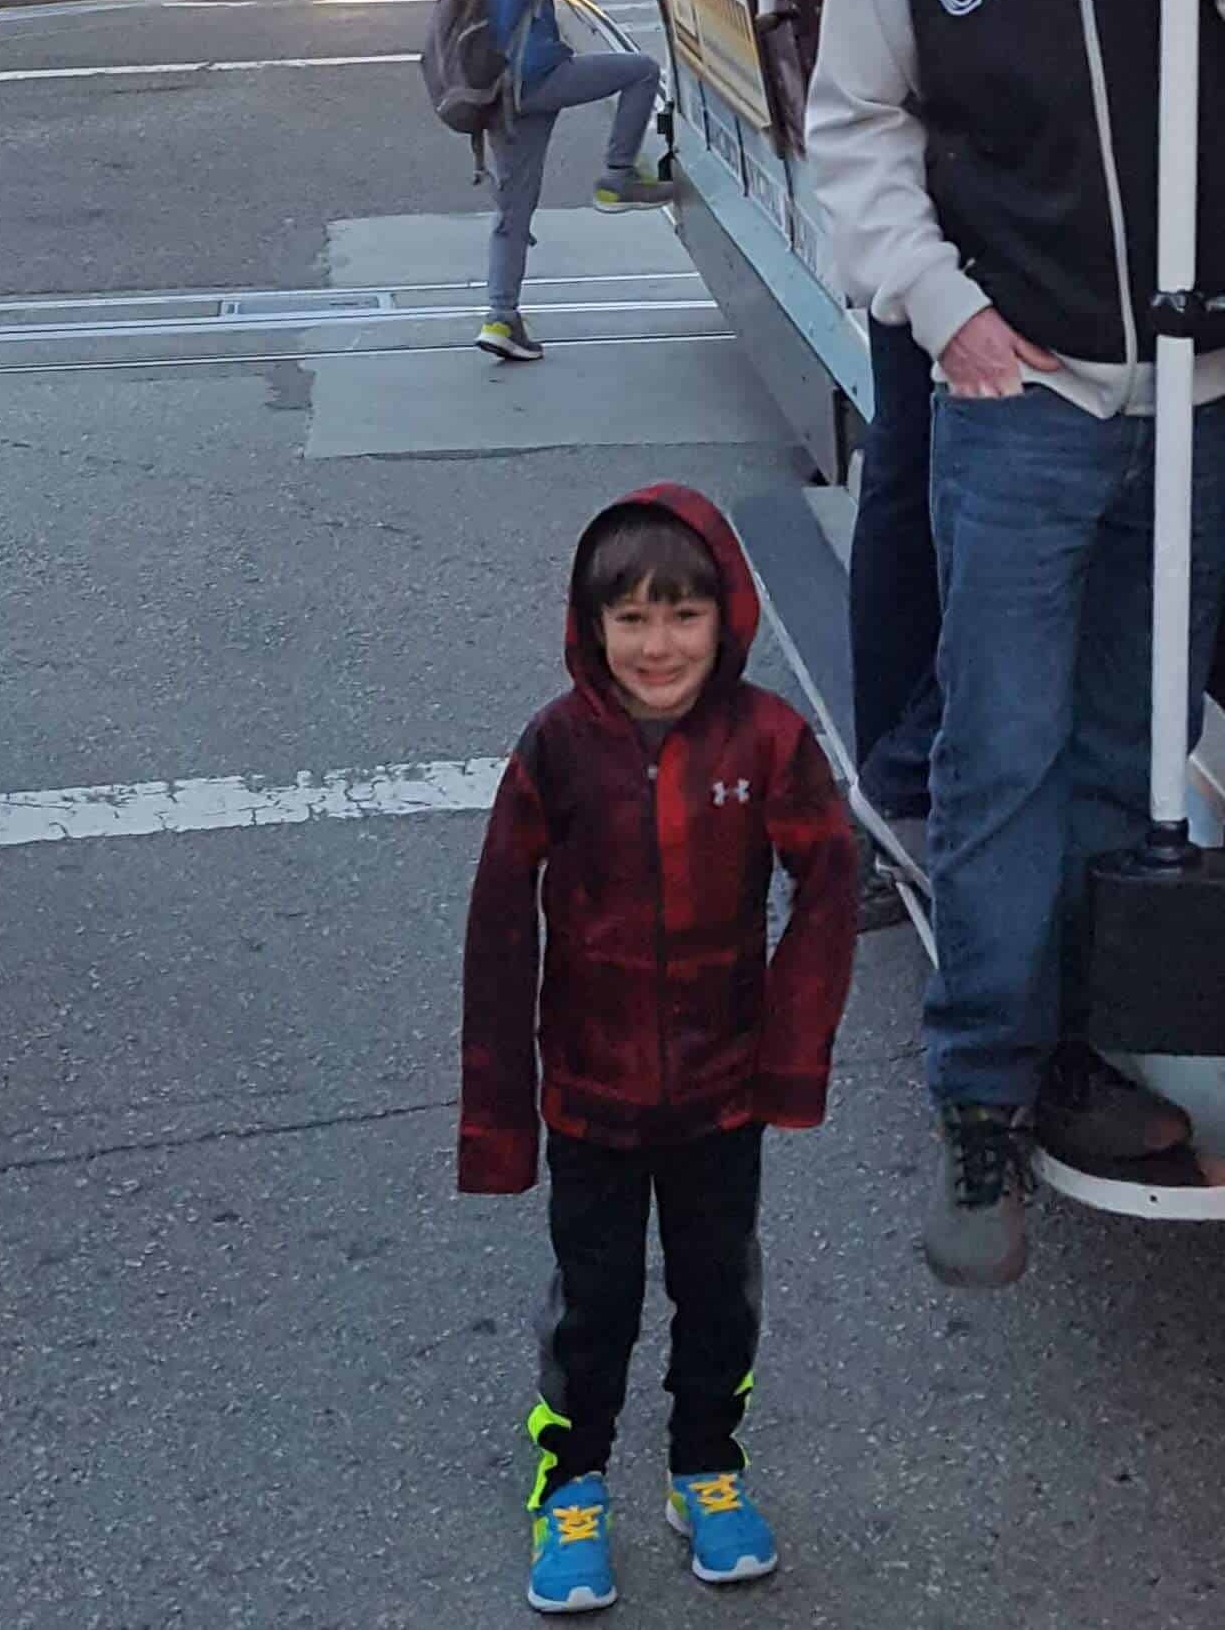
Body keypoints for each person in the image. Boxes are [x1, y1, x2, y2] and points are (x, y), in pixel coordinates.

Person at [806, 0, 1225, 1288]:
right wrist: (947, 313)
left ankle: (1084, 1042)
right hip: (1031, 390)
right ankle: (983, 1097)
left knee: (1113, 747)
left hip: (1205, 383)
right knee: (1000, 756)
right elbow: (853, 124)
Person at [459, 487, 855, 1613]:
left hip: (721, 1093)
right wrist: (498, 1118)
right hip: (588, 1092)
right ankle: (570, 1477)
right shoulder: (555, 746)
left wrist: (789, 1056)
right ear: (589, 627)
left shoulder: (765, 739)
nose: (657, 644)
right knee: (595, 1299)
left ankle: (705, 1466)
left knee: (716, 1290)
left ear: (724, 614)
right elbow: (497, 925)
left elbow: (828, 881)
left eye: (681, 614)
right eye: (628, 619)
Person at [845, 0, 1128, 844]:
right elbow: (889, 58)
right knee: (918, 474)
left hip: (1035, 253)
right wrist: (938, 289)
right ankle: (903, 753)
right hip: (968, 238)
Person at [471, 0, 673, 367]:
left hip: (501, 96)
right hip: (539, 79)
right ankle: (617, 176)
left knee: (512, 211)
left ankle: (500, 318)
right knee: (641, 71)